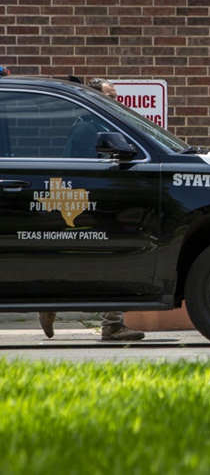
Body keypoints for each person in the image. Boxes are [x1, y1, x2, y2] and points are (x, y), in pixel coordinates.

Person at [40, 77, 146, 342]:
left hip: (98, 203)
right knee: (110, 261)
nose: (115, 101)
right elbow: (78, 170)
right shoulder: (88, 128)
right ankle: (111, 324)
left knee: (93, 261)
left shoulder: (97, 125)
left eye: (115, 96)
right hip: (94, 205)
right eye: (109, 96)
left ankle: (52, 301)